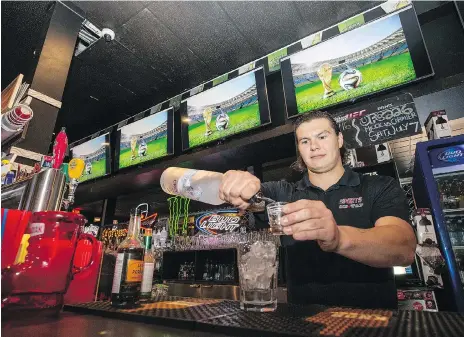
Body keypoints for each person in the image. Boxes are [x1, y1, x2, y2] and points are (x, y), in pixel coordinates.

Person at [219, 111, 416, 309]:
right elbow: (257, 198)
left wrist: (338, 238)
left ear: (339, 139)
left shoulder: (379, 186)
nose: (314, 146)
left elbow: (403, 249)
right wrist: (243, 186)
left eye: (322, 137)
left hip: (373, 321)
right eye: (305, 141)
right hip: (303, 323)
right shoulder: (283, 192)